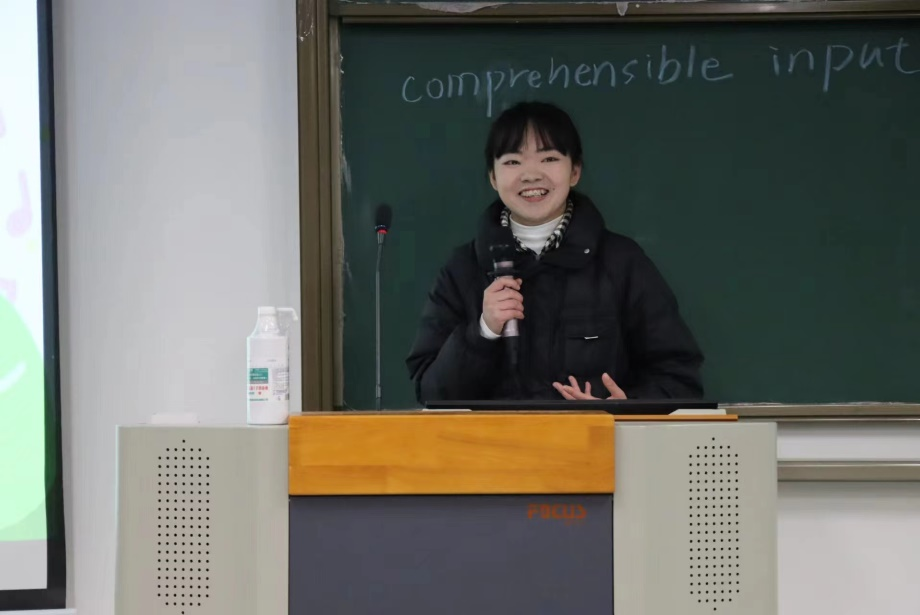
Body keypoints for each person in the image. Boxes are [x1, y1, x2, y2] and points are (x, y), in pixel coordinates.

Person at [405, 101, 703, 403]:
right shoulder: (464, 269)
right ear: (493, 177)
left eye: (549, 158)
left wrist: (626, 407)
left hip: (595, 435)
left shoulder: (621, 262)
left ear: (575, 171)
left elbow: (679, 378)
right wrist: (484, 330)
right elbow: (430, 393)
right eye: (512, 162)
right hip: (496, 437)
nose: (531, 175)